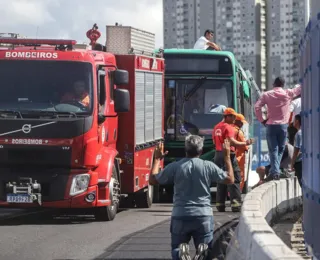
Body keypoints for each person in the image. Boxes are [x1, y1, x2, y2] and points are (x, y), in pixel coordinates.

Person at [149, 136, 235, 260]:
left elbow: (153, 180)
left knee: (176, 247)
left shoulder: (175, 166)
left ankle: (180, 253)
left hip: (180, 214)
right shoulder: (208, 166)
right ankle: (202, 252)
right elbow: (230, 179)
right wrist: (227, 157)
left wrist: (157, 159)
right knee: (206, 249)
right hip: (203, 215)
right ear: (201, 151)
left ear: (186, 149)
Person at [254, 77, 301, 182]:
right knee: (280, 149)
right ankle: (275, 172)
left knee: (273, 150)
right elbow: (299, 89)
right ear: (283, 85)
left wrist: (262, 120)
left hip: (270, 125)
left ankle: (274, 172)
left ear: (273, 84)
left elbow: (257, 107)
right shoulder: (288, 93)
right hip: (283, 126)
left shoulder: (266, 94)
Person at [212, 108, 254, 212]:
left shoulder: (216, 127)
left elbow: (214, 141)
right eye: (233, 116)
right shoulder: (229, 128)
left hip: (218, 154)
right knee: (235, 178)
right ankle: (236, 204)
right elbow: (232, 142)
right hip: (228, 154)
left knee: (221, 179)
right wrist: (246, 143)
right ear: (227, 116)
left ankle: (220, 204)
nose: (235, 118)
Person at [233, 114, 250, 191]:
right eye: (241, 122)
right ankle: (237, 192)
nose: (242, 124)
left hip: (233, 156)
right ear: (237, 121)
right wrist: (248, 146)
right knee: (240, 175)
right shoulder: (238, 132)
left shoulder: (229, 129)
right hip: (239, 157)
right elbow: (244, 145)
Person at [290, 114, 302, 187]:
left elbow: (296, 150)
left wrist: (292, 163)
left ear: (297, 121)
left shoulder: (298, 134)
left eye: (294, 120)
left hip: (299, 162)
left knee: (301, 181)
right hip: (305, 161)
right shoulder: (305, 132)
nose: (292, 122)